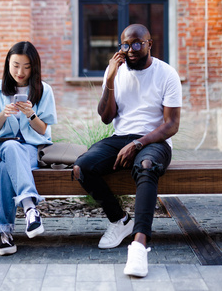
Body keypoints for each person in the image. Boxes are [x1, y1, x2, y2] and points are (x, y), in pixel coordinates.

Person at [73, 24, 182, 277]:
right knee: (81, 167)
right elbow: (106, 118)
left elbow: (171, 125)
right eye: (125, 45)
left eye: (136, 44)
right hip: (121, 137)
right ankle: (120, 221)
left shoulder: (166, 73)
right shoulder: (116, 72)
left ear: (149, 44)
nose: (131, 50)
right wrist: (110, 79)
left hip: (155, 141)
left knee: (145, 167)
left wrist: (139, 144)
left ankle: (139, 245)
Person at [0, 41, 57, 256]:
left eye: (26, 66)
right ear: (8, 64)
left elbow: (43, 131)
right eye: (15, 65)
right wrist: (3, 114)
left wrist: (30, 114)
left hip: (29, 151)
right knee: (10, 146)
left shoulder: (44, 90)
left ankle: (4, 233)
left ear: (34, 67)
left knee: (7, 169)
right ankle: (30, 207)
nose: (20, 72)